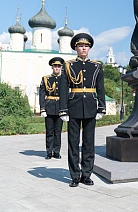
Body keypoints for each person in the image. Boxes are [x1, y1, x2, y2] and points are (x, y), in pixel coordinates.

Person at [59, 33, 106, 187]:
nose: (84, 48)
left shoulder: (97, 66)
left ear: (90, 48)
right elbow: (63, 88)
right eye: (80, 46)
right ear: (76, 48)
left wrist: (101, 107)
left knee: (89, 143)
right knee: (73, 142)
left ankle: (86, 174)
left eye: (86, 46)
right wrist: (63, 109)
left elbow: (100, 88)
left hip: (91, 107)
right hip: (73, 106)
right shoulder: (68, 65)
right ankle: (74, 175)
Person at [39, 57, 64, 160]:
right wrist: (42, 108)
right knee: (49, 131)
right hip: (49, 107)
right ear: (52, 67)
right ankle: (49, 152)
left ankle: (57, 151)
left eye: (58, 66)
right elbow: (41, 94)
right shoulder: (46, 79)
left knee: (58, 132)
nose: (57, 68)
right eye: (55, 66)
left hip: (60, 108)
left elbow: (67, 94)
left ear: (61, 67)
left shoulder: (64, 79)